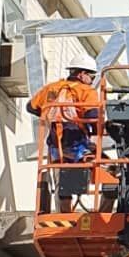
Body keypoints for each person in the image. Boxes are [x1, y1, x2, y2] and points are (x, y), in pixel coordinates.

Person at [28, 60, 101, 212]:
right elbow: (93, 115)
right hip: (76, 141)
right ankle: (102, 208)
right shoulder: (86, 92)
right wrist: (97, 134)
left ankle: (65, 212)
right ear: (82, 74)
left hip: (56, 144)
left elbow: (31, 106)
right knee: (111, 169)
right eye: (92, 77)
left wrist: (49, 114)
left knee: (61, 177)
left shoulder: (51, 88)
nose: (92, 81)